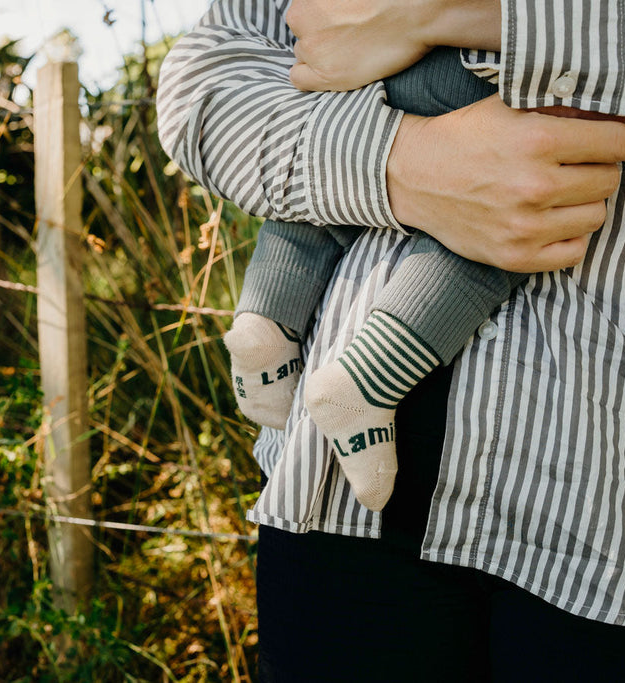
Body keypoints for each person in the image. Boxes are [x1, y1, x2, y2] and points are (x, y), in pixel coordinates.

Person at [156, 0, 625, 680]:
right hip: (330, 500)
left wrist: (439, 12)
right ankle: (303, 337)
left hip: (623, 496)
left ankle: (276, 321)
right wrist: (397, 164)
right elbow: (205, 78)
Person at [222, 46, 530, 512]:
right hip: (488, 70)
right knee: (514, 210)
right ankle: (368, 378)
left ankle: (268, 316)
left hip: (372, 60)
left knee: (334, 168)